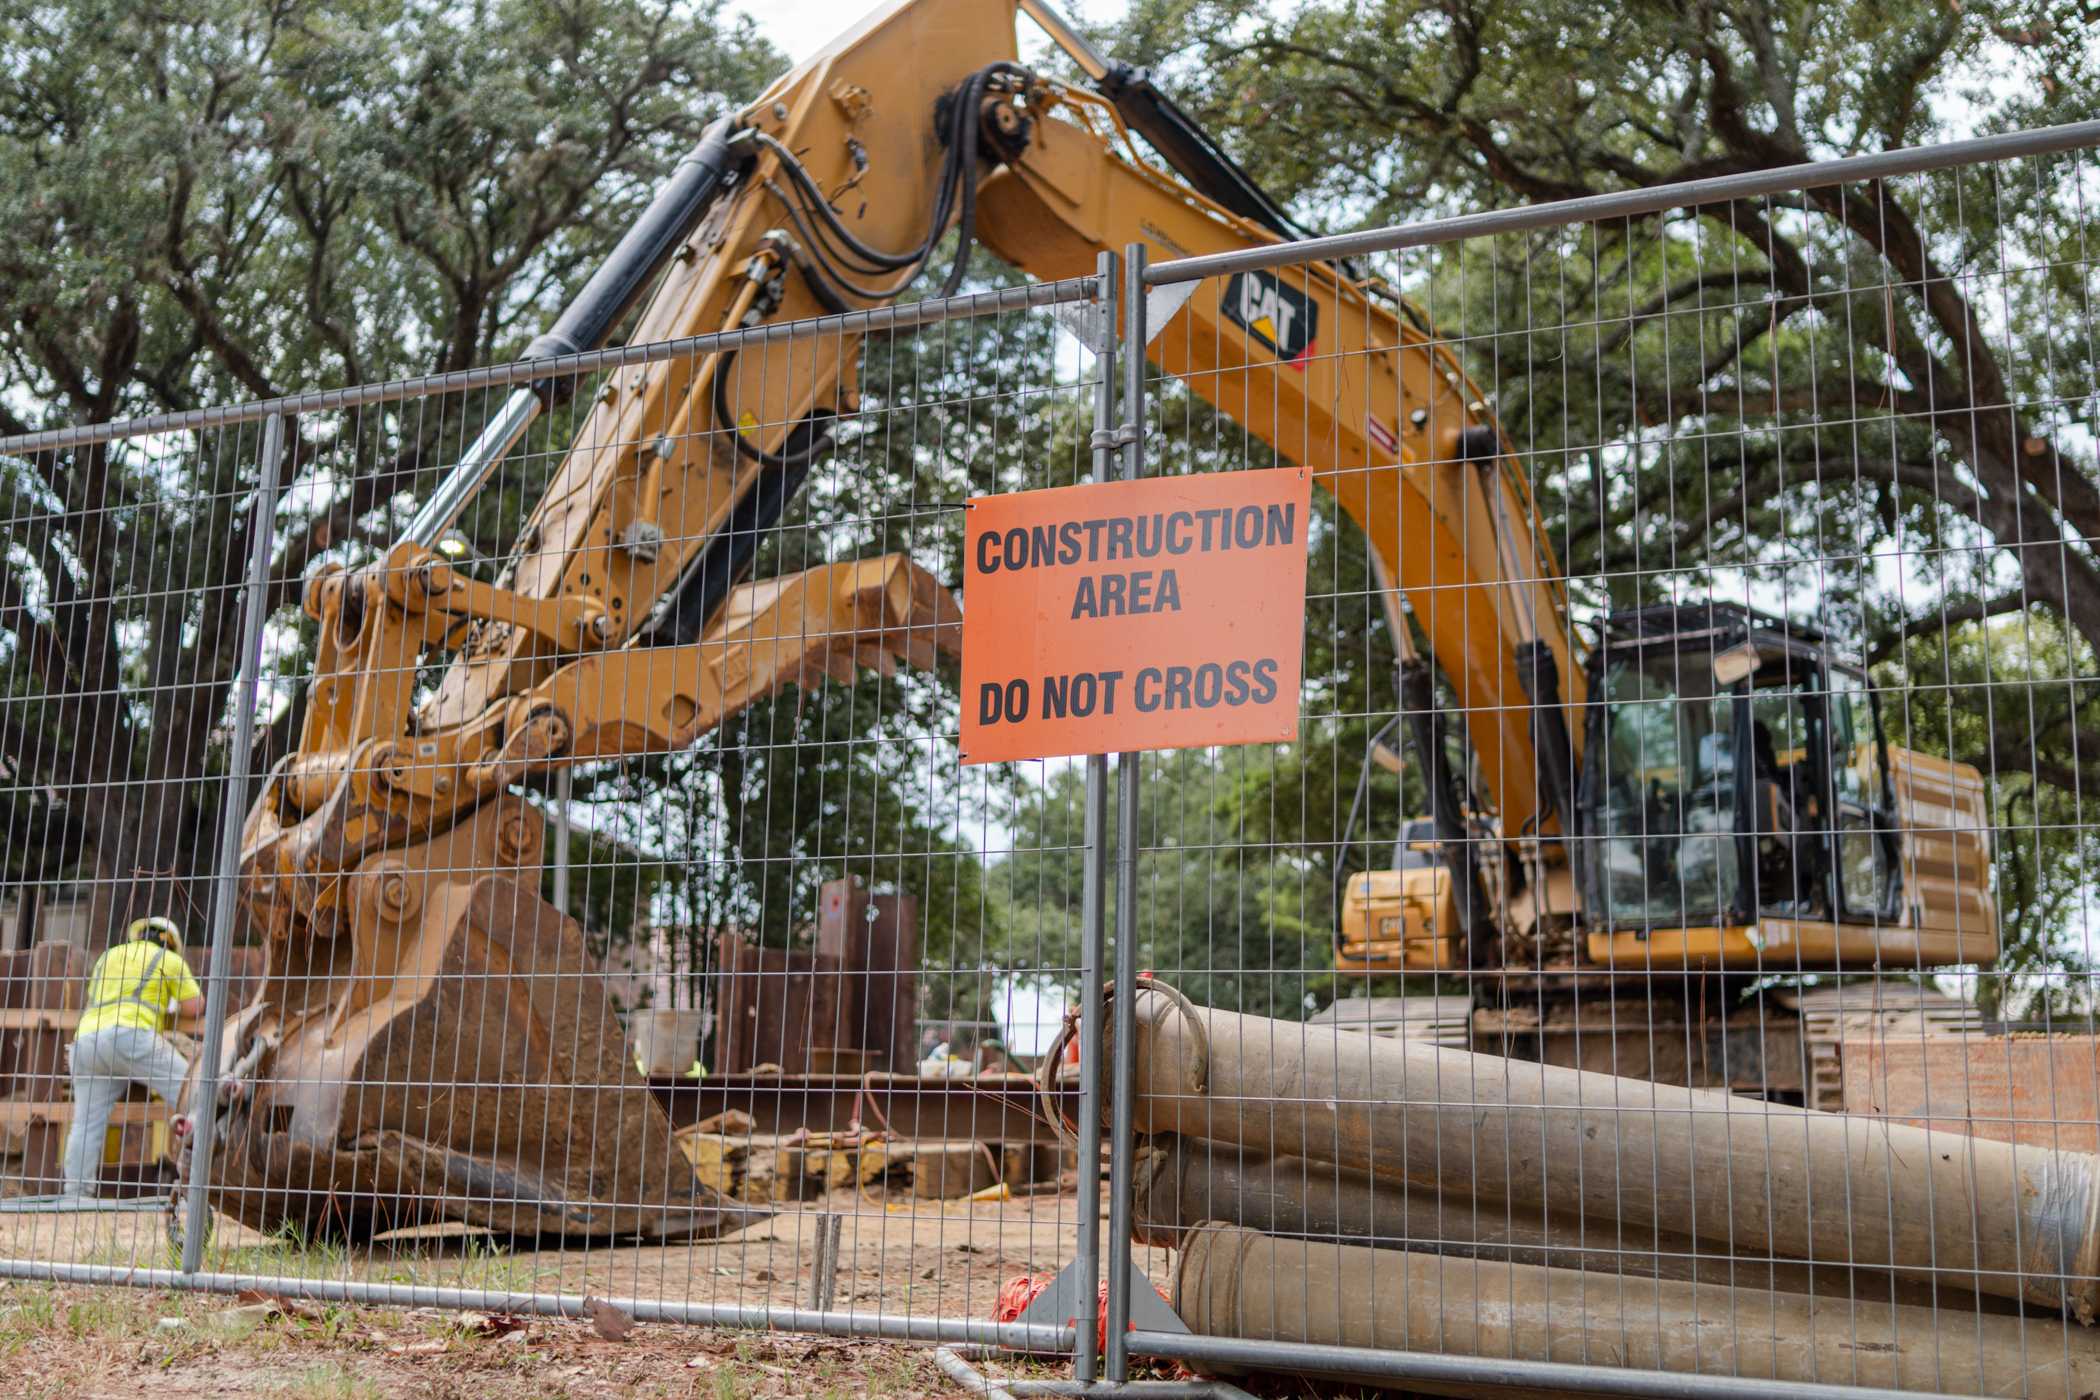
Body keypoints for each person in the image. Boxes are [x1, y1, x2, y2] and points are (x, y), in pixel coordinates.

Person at [61, 916, 203, 1198]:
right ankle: (202, 1187)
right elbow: (195, 1006)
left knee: (86, 1123)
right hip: (132, 1038)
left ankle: (75, 1195)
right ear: (171, 943)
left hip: (87, 1040)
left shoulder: (108, 956)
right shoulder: (169, 960)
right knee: (197, 1093)